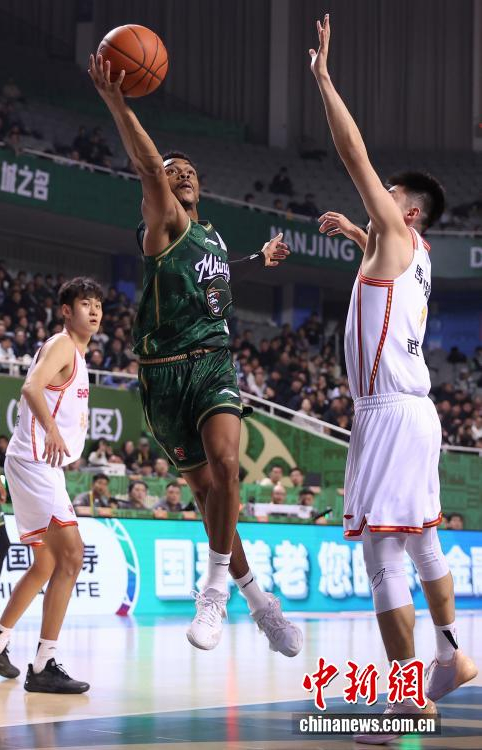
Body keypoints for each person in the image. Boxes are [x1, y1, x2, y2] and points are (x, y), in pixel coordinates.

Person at [89, 53, 302, 657]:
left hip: (212, 362)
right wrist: (118, 103)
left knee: (228, 467)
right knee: (209, 497)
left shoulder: (212, 236)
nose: (180, 173)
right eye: (172, 169)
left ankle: (213, 593)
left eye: (189, 171)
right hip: (162, 376)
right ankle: (260, 604)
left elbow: (218, 276)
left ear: (201, 187)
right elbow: (148, 168)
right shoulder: (162, 225)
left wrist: (260, 260)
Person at [311, 15, 476, 738]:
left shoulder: (399, 231)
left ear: (406, 210)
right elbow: (382, 279)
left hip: (387, 411)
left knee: (383, 556)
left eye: (388, 192)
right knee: (420, 542)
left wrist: (323, 78)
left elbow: (352, 152)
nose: (377, 191)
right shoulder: (417, 254)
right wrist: (356, 234)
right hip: (415, 411)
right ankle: (452, 654)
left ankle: (409, 699)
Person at [0, 277, 103, 692]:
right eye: (85, 303)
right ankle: (44, 664)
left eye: (97, 305)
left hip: (40, 465)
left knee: (45, 564)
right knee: (72, 556)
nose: (93, 311)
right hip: (34, 462)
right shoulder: (62, 345)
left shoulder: (78, 355)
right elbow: (30, 387)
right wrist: (52, 431)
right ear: (66, 311)